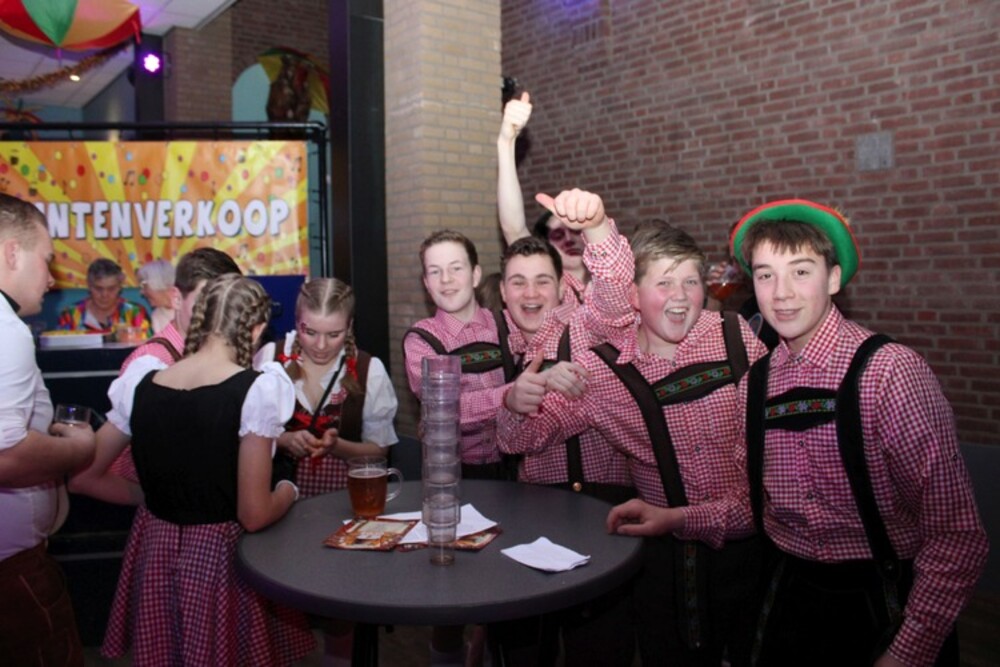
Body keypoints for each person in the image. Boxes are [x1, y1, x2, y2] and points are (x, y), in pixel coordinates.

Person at [607, 199, 989, 667]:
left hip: (884, 604)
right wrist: (675, 519)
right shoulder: (757, 383)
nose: (782, 293)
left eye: (801, 272)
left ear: (834, 278)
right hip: (787, 599)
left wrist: (908, 652)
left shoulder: (888, 373)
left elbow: (956, 535)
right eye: (766, 275)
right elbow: (755, 510)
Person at [498, 209, 769, 667]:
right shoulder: (603, 371)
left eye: (690, 281)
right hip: (664, 566)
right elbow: (523, 439)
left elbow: (773, 455)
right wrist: (516, 402)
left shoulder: (734, 336)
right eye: (664, 283)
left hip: (755, 555)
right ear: (634, 296)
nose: (680, 296)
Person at [73, 274, 315, 664]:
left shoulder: (144, 381)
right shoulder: (254, 391)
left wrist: (157, 496)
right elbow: (253, 514)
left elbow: (85, 476)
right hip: (219, 555)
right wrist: (288, 487)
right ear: (256, 329)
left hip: (155, 547)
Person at [0, 193, 96, 666]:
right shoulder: (7, 330)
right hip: (12, 569)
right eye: (47, 258)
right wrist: (79, 449)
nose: (53, 277)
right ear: (11, 253)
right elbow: (6, 458)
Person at [70, 247, 242, 501]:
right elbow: (84, 478)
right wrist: (162, 501)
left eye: (226, 304)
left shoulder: (217, 355)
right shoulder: (151, 365)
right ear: (176, 299)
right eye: (205, 302)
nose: (216, 316)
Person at [497, 92, 588, 304]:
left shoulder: (612, 280)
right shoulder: (549, 290)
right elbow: (513, 229)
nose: (569, 240)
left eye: (575, 231)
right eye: (558, 234)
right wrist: (506, 143)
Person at [57, 257, 151, 336]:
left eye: (111, 289)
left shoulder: (135, 312)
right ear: (89, 286)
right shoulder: (70, 314)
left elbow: (150, 348)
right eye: (98, 288)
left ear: (120, 287)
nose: (104, 295)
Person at [136, 258, 175, 334]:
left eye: (144, 286)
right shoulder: (156, 316)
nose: (141, 292)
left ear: (159, 283)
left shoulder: (190, 308)